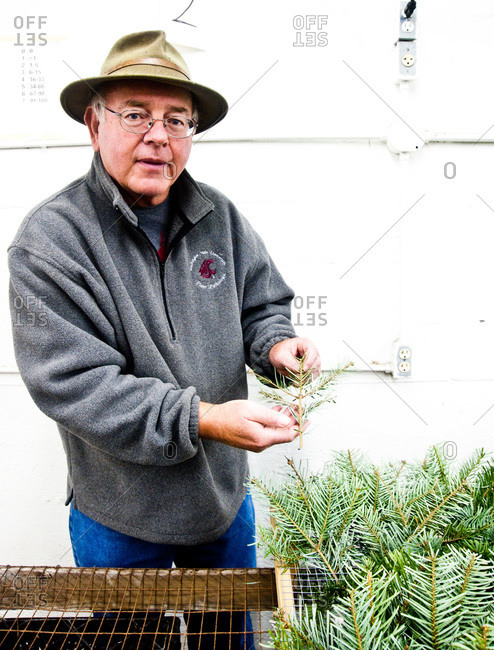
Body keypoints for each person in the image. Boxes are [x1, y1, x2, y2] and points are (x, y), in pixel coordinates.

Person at [8, 31, 321, 648]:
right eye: (136, 115)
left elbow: (262, 306)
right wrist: (205, 419)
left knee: (226, 641)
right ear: (94, 125)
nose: (159, 135)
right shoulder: (50, 241)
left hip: (220, 502)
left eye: (177, 120)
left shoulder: (218, 217)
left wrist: (277, 346)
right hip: (118, 511)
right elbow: (76, 386)